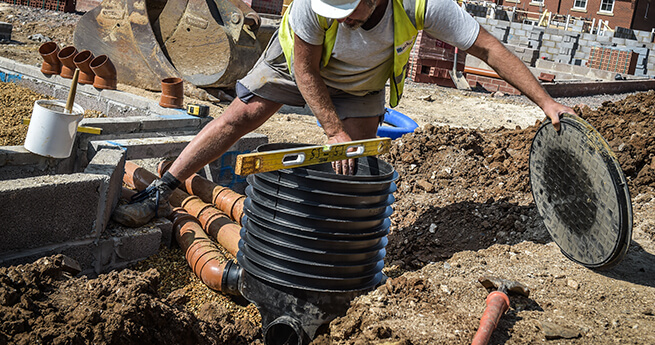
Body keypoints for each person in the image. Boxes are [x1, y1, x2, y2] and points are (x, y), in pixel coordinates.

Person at [112, 0, 575, 227]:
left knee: (354, 162)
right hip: (301, 62)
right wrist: (329, 128)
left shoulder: (426, 5)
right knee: (242, 115)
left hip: (362, 81)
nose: (341, 17)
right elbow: (305, 69)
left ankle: (332, 241)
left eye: (349, 10)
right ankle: (162, 189)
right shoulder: (314, 11)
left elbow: (489, 49)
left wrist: (546, 102)